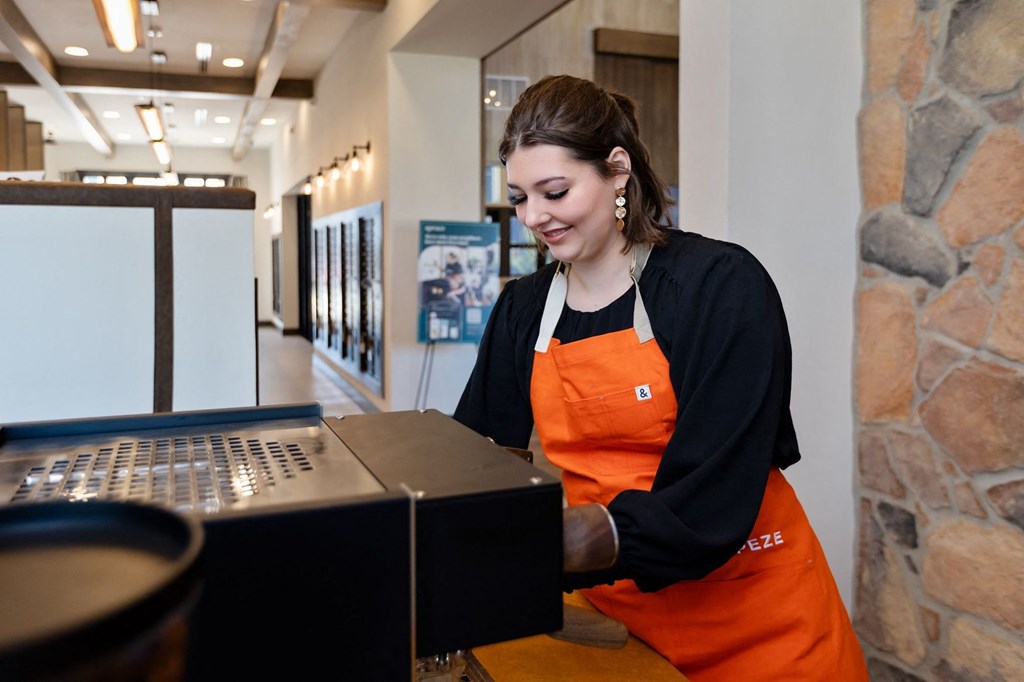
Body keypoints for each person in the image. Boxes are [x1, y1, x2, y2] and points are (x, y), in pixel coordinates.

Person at [453, 74, 868, 681]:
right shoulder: (523, 309)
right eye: (519, 197)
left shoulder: (718, 285)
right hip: (612, 618)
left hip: (755, 614)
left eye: (555, 191)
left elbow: (711, 498)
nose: (534, 217)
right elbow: (483, 453)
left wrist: (552, 546)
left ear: (617, 170)